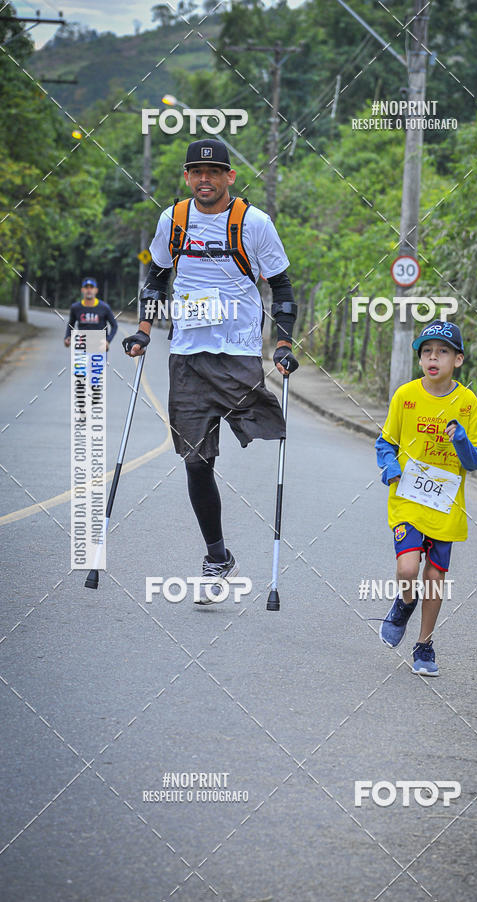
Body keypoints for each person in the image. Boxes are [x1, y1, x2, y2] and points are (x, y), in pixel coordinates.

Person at [122, 138, 298, 604]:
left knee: (271, 431)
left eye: (214, 172)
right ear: (186, 177)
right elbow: (157, 276)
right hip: (187, 357)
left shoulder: (254, 224)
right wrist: (143, 331)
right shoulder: (173, 220)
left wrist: (282, 344)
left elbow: (281, 287)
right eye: (197, 172)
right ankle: (217, 556)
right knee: (197, 462)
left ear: (229, 177)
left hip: (239, 355)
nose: (205, 179)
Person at [375, 320, 477, 676]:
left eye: (442, 351)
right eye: (427, 351)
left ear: (457, 360)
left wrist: (460, 441)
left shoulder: (467, 403)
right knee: (407, 569)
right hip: (408, 498)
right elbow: (385, 443)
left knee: (435, 580)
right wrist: (390, 467)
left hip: (445, 506)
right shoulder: (406, 396)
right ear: (420, 359)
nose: (433, 357)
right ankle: (404, 603)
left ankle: (424, 645)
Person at [64, 277, 117, 350]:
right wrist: (67, 337)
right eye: (86, 287)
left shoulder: (104, 307)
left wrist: (107, 341)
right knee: (79, 362)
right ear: (82, 290)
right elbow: (71, 324)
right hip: (81, 344)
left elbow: (114, 326)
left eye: (91, 287)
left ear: (96, 290)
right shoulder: (75, 307)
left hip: (99, 346)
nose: (89, 290)